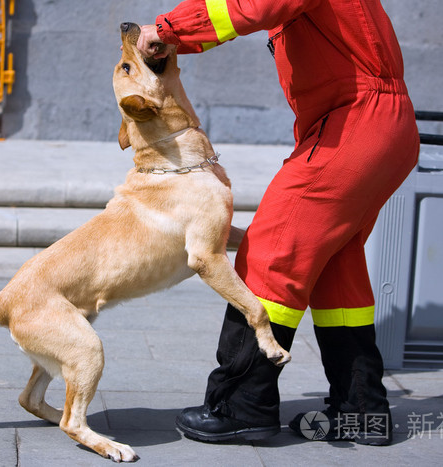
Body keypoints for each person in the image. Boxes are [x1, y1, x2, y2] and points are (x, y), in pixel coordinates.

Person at [137, 0, 419, 445]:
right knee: (335, 268)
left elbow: (253, 5)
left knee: (273, 252)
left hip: (352, 126)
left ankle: (241, 406)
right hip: (384, 127)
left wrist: (169, 29)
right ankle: (362, 410)